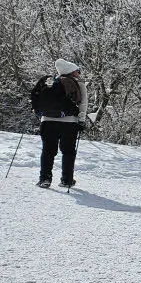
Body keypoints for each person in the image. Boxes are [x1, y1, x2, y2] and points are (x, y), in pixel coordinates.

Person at [30, 58, 87, 188]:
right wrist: (81, 121)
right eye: (77, 71)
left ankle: (45, 179)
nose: (78, 74)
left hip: (47, 121)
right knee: (68, 151)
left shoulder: (50, 83)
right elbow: (83, 104)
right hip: (69, 123)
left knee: (48, 151)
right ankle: (67, 180)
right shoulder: (78, 84)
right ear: (72, 72)